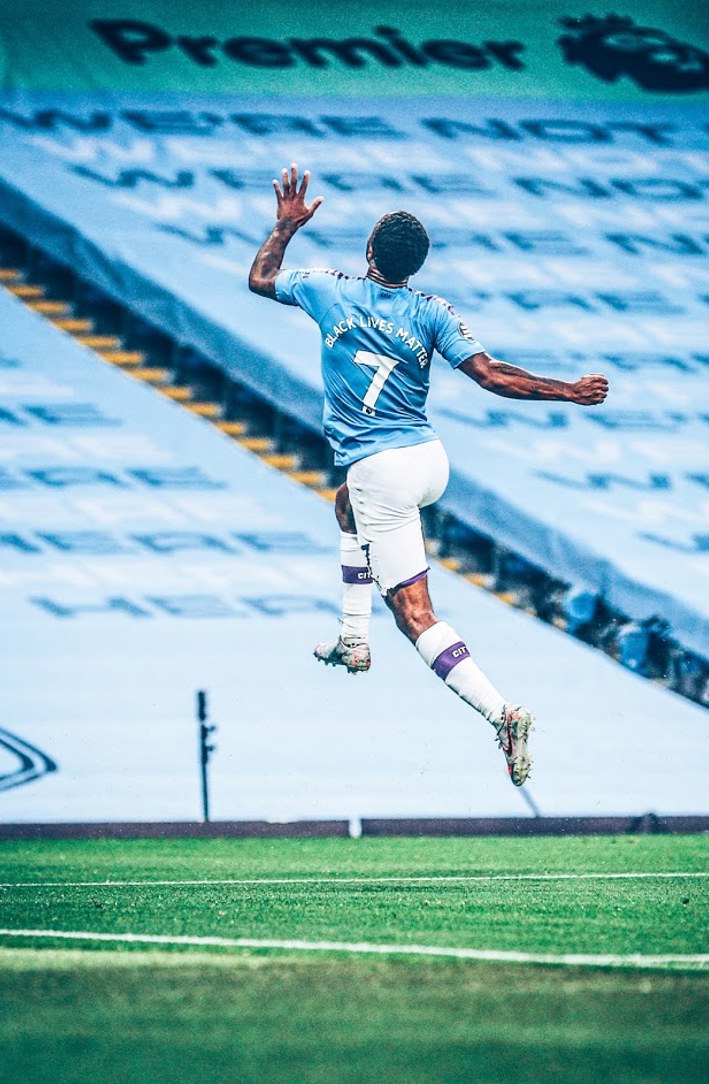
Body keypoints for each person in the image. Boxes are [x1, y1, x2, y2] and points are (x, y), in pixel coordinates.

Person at [250, 164, 608, 787]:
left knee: (415, 615)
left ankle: (503, 715)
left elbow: (260, 279)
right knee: (345, 506)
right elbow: (494, 376)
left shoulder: (325, 287)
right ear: (417, 267)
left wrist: (285, 227)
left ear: (367, 253)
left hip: (380, 469)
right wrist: (569, 392)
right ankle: (351, 637)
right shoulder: (433, 310)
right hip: (426, 458)